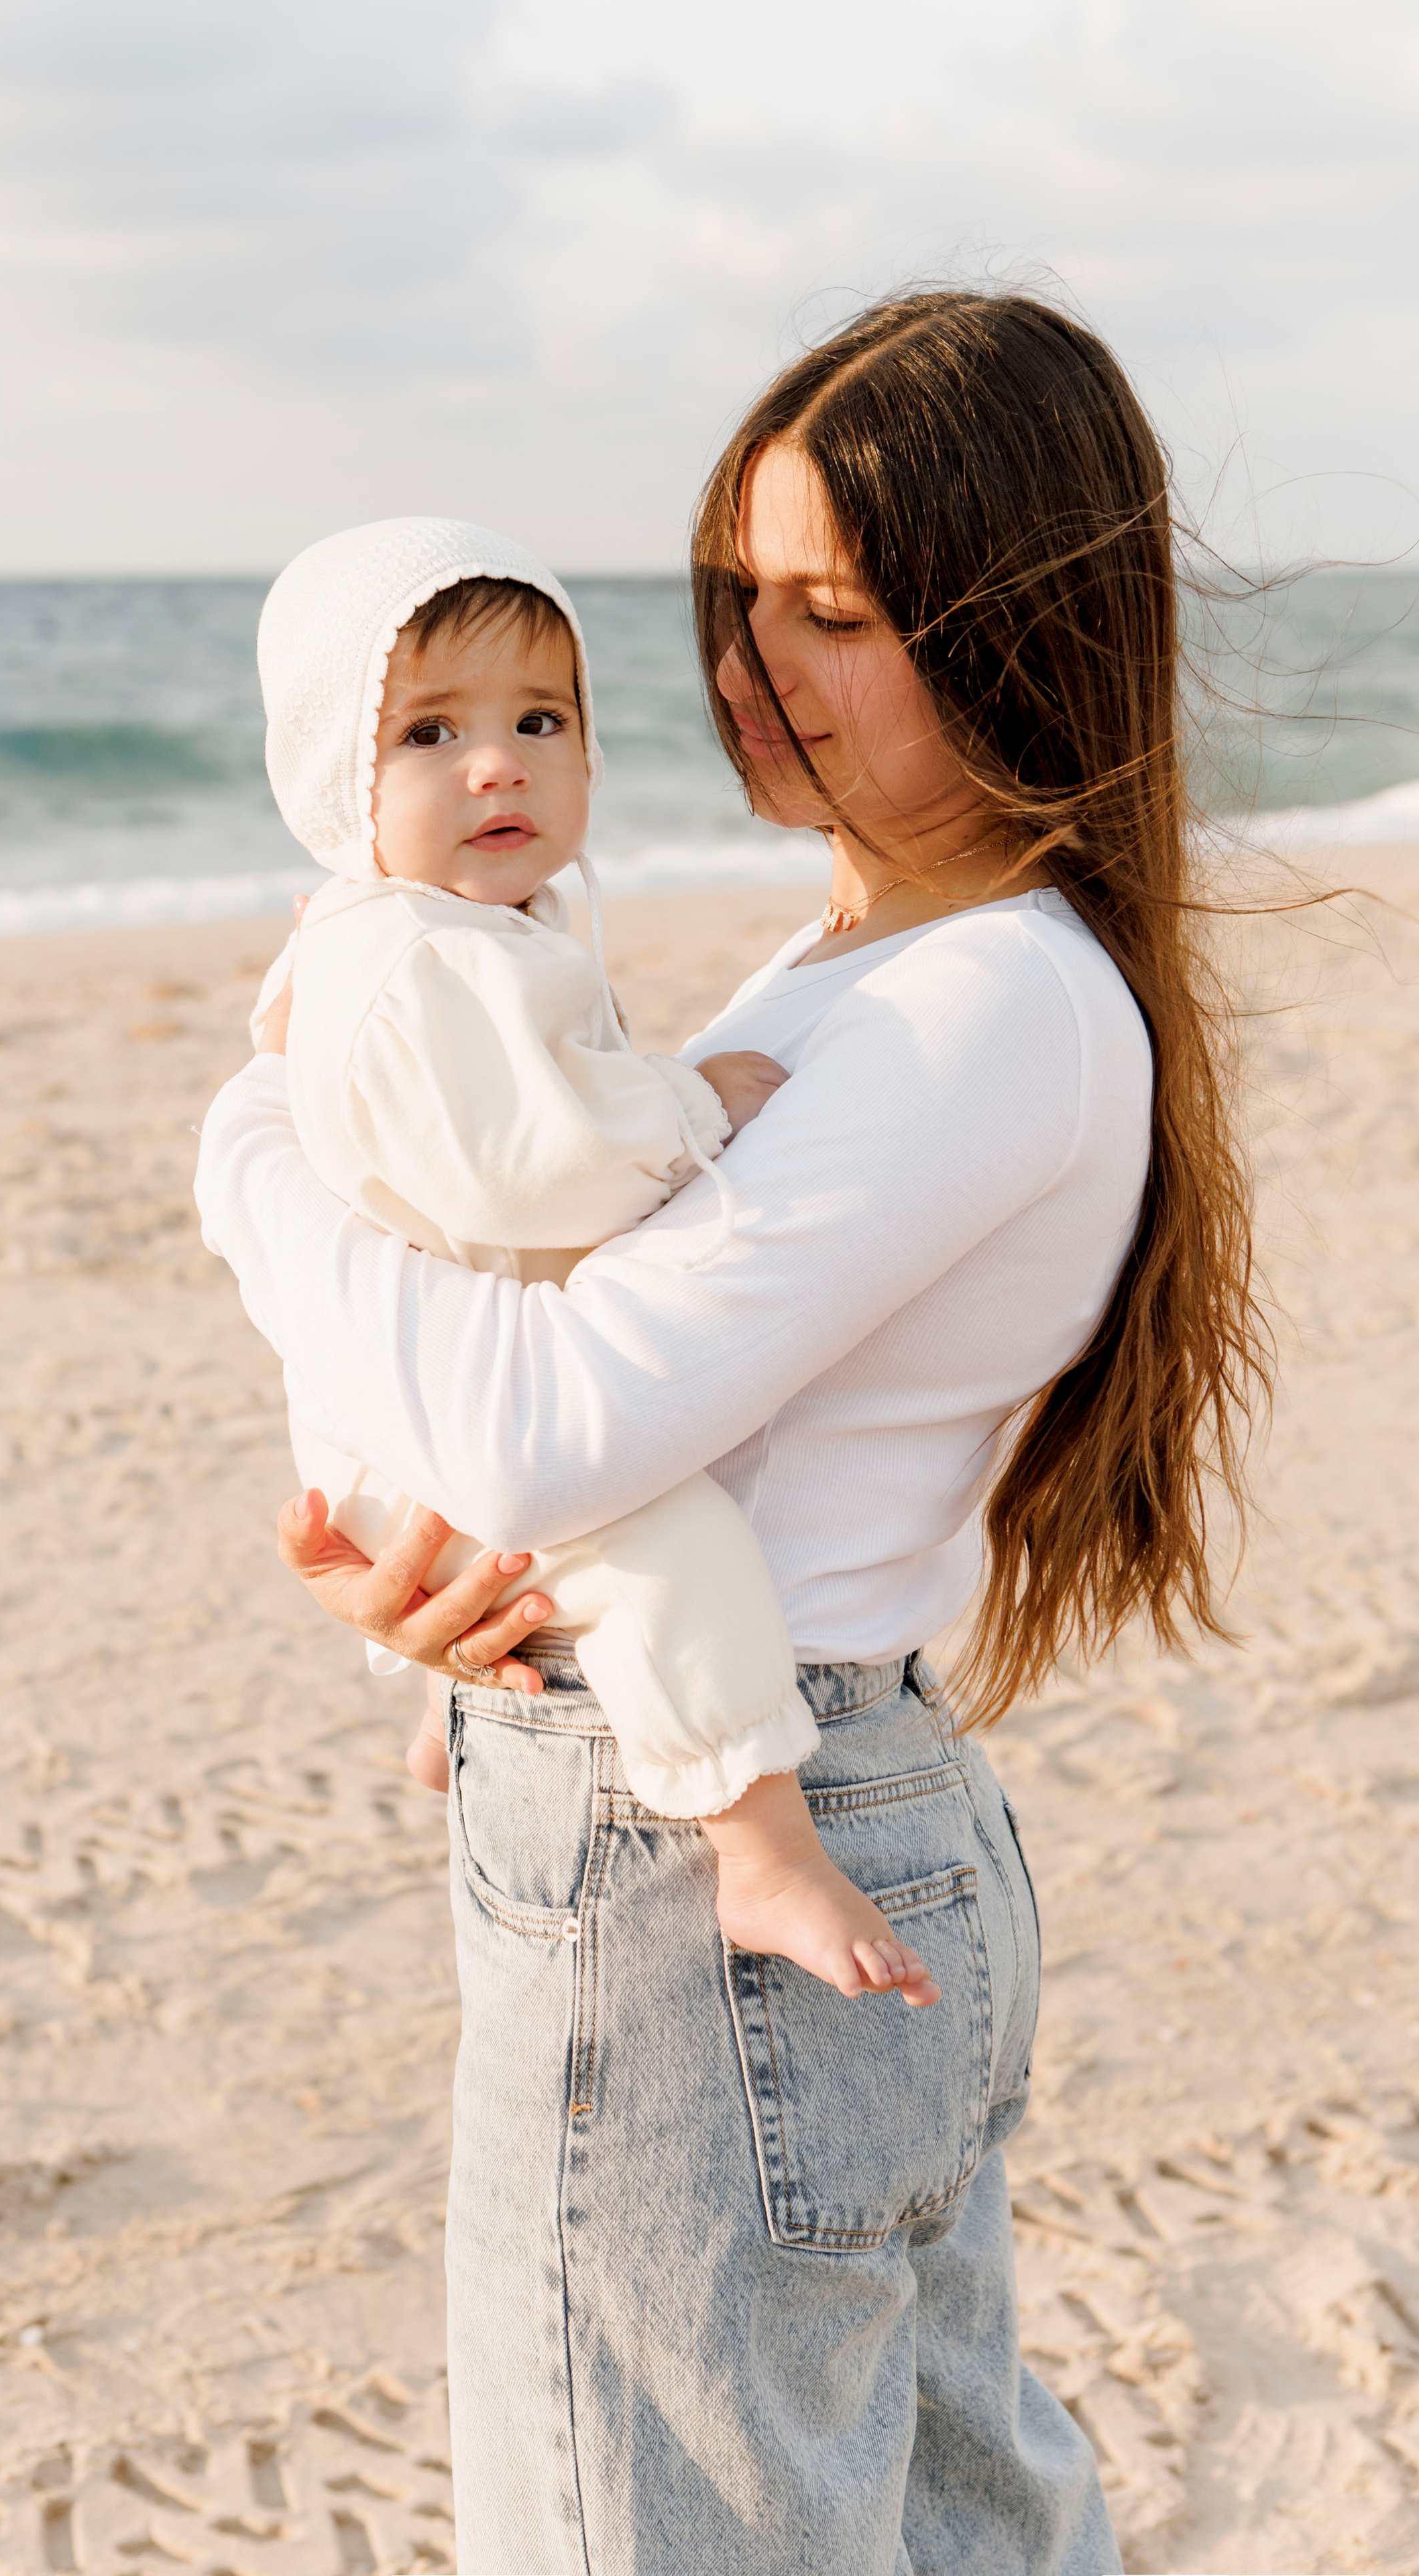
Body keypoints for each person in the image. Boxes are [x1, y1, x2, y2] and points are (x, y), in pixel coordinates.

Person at [196, 288, 1266, 2575]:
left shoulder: (980, 1005)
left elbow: (560, 1421)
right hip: (775, 1804)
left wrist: (252, 1167)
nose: (751, 668)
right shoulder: (866, 960)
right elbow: (580, 1390)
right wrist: (441, 1609)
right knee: (960, 2516)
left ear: (1021, 627)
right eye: (732, 603)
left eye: (837, 613)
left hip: (715, 1887)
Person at [242, 514, 940, 2006]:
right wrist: (694, 1104)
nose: (496, 764)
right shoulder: (410, 952)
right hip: (429, 1407)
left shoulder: (477, 919)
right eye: (429, 732)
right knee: (669, 1546)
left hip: (442, 1370)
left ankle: (459, 1718)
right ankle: (755, 1843)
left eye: (537, 721)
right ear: (330, 780)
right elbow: (528, 1157)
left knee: (571, 1563)